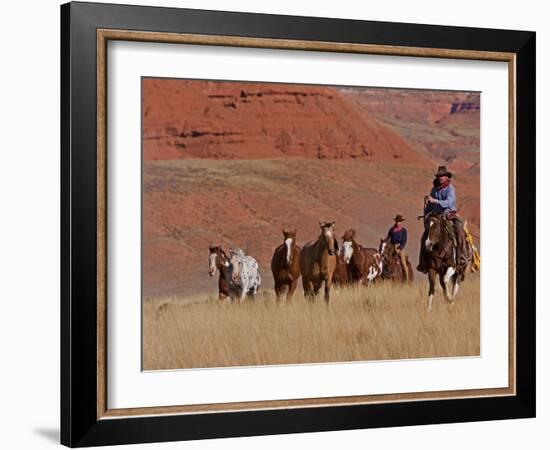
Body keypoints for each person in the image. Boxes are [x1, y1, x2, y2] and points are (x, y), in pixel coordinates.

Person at [417, 165, 468, 273]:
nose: (441, 177)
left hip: (449, 216)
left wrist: (435, 201)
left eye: (443, 176)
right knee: (425, 237)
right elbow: (430, 206)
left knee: (460, 231)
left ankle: (462, 257)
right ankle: (423, 262)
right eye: (439, 176)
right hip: (436, 217)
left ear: (446, 177)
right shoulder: (434, 189)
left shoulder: (450, 189)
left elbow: (449, 202)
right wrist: (426, 214)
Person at [387, 214, 409, 281]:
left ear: (401, 222)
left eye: (399, 221)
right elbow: (388, 238)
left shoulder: (404, 231)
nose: (398, 223)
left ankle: (407, 277)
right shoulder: (391, 230)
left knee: (403, 262)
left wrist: (399, 248)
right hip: (392, 246)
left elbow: (404, 241)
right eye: (397, 221)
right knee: (386, 259)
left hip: (400, 247)